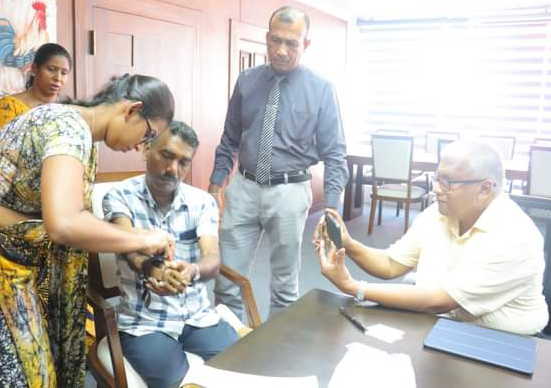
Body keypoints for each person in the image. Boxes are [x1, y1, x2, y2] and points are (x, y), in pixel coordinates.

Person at [0, 73, 176, 387]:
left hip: (11, 264)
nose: (140, 148)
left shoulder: (76, 131)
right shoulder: (68, 130)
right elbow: (64, 222)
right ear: (132, 110)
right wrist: (141, 237)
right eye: (148, 135)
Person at [315, 140, 549, 335]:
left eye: (448, 182)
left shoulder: (515, 236)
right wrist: (349, 244)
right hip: (440, 324)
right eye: (437, 179)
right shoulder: (438, 214)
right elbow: (391, 264)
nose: (436, 189)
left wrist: (352, 286)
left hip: (503, 344)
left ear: (485, 189)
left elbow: (440, 300)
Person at [209, 6, 348, 319]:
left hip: (290, 192)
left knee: (285, 285)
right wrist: (215, 184)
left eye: (292, 43)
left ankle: (276, 358)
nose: (281, 51)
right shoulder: (246, 81)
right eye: (275, 41)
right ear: (267, 38)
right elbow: (229, 138)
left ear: (305, 44)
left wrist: (332, 207)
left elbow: (335, 154)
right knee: (226, 278)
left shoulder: (321, 89)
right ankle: (225, 348)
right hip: (243, 188)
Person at [102, 121, 238, 387]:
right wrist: (158, 270)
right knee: (175, 381)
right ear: (145, 149)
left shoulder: (202, 202)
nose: (173, 170)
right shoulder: (119, 196)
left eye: (184, 162)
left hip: (197, 316)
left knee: (239, 366)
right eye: (166, 156)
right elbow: (129, 250)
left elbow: (212, 260)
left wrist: (193, 270)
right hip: (145, 322)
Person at [0, 42, 72, 136]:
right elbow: (0, 148)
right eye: (51, 69)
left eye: (64, 73)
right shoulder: (9, 106)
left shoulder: (69, 108)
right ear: (34, 69)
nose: (58, 78)